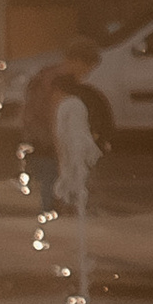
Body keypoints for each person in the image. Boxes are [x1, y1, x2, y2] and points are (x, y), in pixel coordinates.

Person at [21, 41, 98, 208]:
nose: (87, 74)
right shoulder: (61, 81)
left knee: (51, 186)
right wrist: (61, 154)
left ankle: (52, 217)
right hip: (47, 142)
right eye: (87, 68)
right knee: (55, 189)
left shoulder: (47, 74)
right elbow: (55, 118)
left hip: (37, 138)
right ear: (77, 61)